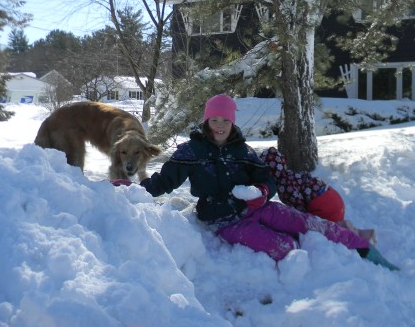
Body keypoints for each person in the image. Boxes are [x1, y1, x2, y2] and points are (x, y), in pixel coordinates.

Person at [114, 93, 397, 269]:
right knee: (285, 247)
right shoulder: (192, 151)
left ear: (233, 122)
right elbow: (165, 180)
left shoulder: (244, 152)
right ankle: (322, 259)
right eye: (215, 120)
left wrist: (263, 191)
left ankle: (361, 249)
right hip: (225, 221)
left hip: (259, 208)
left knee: (310, 223)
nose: (221, 125)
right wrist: (134, 190)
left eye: (226, 120)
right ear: (207, 121)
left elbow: (266, 180)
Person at [260, 146, 376, 245]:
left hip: (324, 205)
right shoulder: (291, 174)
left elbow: (299, 212)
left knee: (326, 229)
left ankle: (358, 241)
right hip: (332, 197)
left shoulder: (284, 186)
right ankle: (360, 233)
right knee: (334, 225)